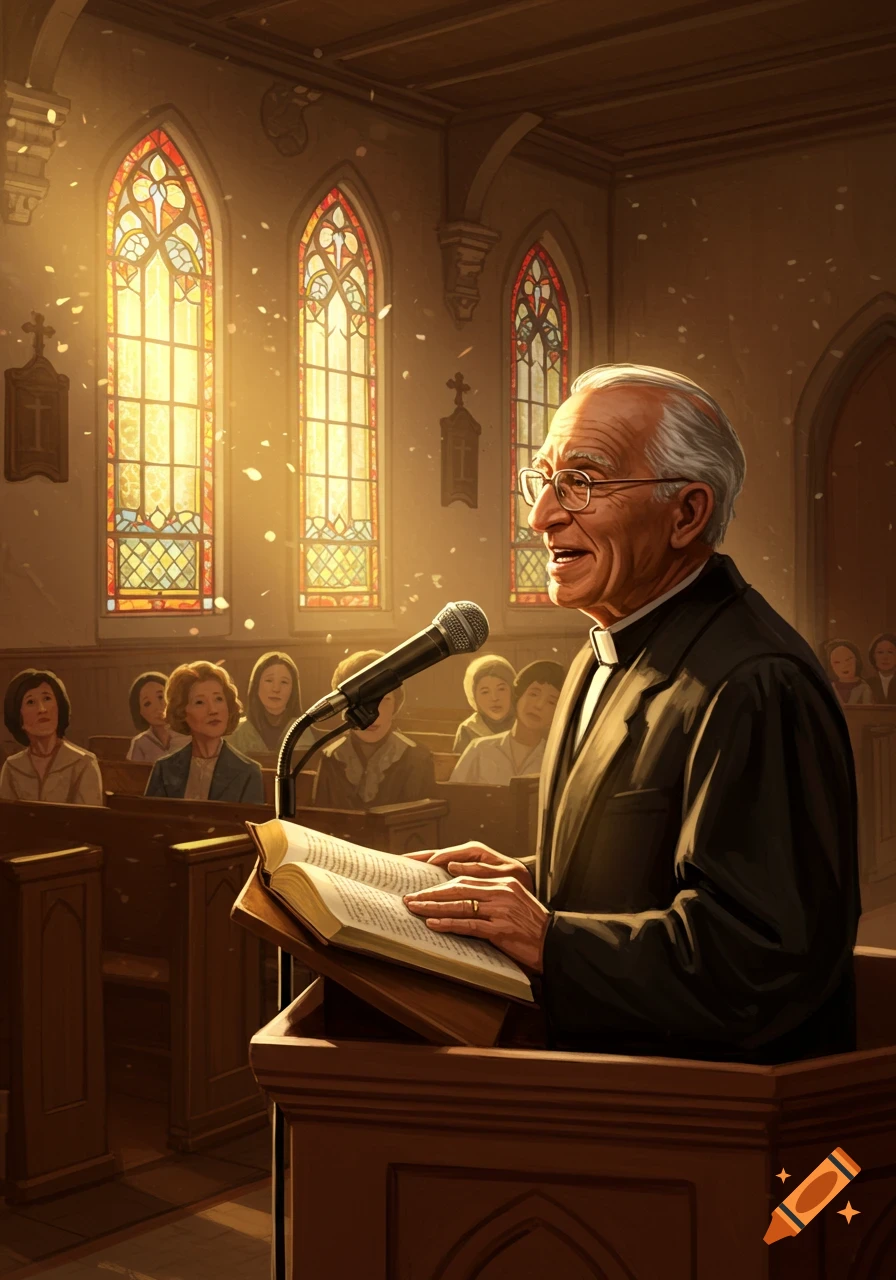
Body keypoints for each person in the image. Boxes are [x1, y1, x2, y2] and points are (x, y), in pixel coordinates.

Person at [403, 362, 859, 1065]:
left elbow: (761, 960)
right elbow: (659, 869)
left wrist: (548, 937)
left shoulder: (755, 682)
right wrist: (532, 882)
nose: (542, 515)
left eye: (582, 481)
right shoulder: (606, 646)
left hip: (700, 1119)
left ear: (687, 513)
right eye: (544, 479)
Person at [313, 650, 435, 810]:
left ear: (396, 704)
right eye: (362, 701)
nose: (373, 714)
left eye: (384, 700)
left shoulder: (417, 758)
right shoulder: (331, 757)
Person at [145, 661, 264, 803]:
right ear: (182, 711)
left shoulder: (248, 772)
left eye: (218, 699)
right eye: (200, 702)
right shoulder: (164, 770)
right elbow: (151, 822)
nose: (213, 710)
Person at [450, 661, 564, 785]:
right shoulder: (479, 749)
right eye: (533, 694)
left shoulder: (556, 759)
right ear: (517, 696)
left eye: (551, 702)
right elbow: (454, 793)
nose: (539, 705)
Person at [0, 668, 103, 805]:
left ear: (59, 707)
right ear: (18, 717)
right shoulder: (12, 767)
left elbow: (89, 821)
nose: (42, 709)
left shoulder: (83, 763)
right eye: (31, 702)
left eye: (47, 698)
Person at [228, 651, 316, 757]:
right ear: (256, 685)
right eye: (269, 680)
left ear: (293, 690)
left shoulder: (302, 731)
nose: (276, 689)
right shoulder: (236, 732)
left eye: (284, 682)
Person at [452, 655, 517, 754]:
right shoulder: (468, 729)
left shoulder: (524, 725)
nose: (494, 698)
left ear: (512, 691)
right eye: (485, 692)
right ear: (474, 696)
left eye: (501, 689)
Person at [126, 671, 190, 763]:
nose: (158, 707)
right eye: (147, 704)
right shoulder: (141, 743)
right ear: (139, 712)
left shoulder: (188, 736)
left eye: (161, 697)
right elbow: (134, 773)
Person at [822, 639, 873, 706]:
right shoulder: (830, 688)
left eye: (848, 660)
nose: (844, 665)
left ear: (857, 661)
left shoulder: (864, 688)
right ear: (831, 666)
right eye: (837, 662)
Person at [867, 633, 896, 704]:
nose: (885, 657)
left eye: (890, 652)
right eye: (880, 652)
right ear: (873, 656)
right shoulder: (866, 684)